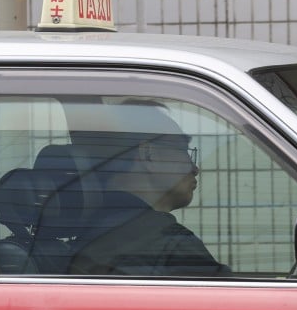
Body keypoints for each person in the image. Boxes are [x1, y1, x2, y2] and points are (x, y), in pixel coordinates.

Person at [68, 102, 231, 277]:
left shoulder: (84, 239)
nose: (194, 168)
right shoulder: (170, 244)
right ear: (148, 154)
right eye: (183, 150)